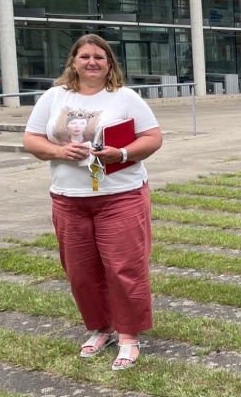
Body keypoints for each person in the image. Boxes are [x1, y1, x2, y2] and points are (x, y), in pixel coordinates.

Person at [23, 34, 163, 370]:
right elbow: (31, 138)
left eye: (99, 57)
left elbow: (153, 137)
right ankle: (100, 328)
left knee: (124, 268)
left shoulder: (125, 97)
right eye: (84, 56)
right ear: (73, 61)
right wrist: (59, 151)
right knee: (81, 272)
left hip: (120, 196)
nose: (92, 62)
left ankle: (128, 336)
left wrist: (123, 153)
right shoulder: (55, 96)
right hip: (69, 198)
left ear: (109, 63)